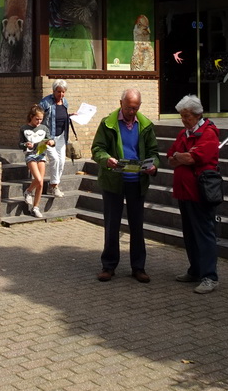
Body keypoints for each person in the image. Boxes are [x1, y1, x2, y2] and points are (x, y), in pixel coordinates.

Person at [91, 88, 160, 283]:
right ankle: (108, 266)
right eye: (129, 108)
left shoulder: (145, 125)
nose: (132, 112)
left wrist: (153, 166)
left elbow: (154, 153)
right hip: (114, 181)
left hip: (137, 182)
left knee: (137, 226)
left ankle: (138, 267)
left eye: (136, 108)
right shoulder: (108, 123)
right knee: (112, 225)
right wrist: (107, 159)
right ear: (121, 103)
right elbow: (97, 149)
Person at [167, 94, 221, 294]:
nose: (184, 120)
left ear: (197, 115)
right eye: (182, 116)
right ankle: (195, 270)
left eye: (187, 116)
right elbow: (171, 157)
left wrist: (181, 157)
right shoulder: (184, 134)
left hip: (201, 192)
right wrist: (181, 157)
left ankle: (209, 276)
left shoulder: (208, 133)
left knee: (205, 234)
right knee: (189, 234)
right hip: (184, 191)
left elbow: (193, 158)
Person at [39, 79, 76, 197]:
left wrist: (70, 116)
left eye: (63, 92)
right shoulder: (46, 102)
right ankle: (54, 186)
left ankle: (53, 185)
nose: (61, 94)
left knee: (62, 161)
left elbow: (62, 117)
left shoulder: (65, 102)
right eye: (59, 92)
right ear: (53, 91)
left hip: (61, 136)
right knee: (54, 159)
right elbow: (37, 116)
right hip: (48, 137)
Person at [19, 105, 53, 218]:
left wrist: (51, 142)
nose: (39, 121)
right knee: (38, 179)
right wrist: (25, 144)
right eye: (37, 119)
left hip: (41, 154)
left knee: (41, 182)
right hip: (30, 155)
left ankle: (35, 207)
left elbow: (50, 139)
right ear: (31, 117)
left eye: (41, 119)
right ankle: (28, 191)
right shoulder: (24, 128)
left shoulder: (44, 128)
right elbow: (20, 144)